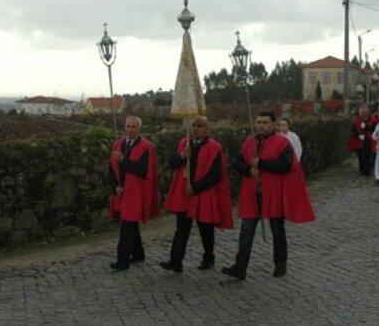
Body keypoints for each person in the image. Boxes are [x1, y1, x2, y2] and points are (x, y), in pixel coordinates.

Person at [222, 112, 315, 280]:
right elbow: (237, 162)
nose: (260, 125)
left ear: (273, 124)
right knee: (246, 230)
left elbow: (286, 164)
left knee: (277, 230)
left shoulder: (282, 143)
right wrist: (249, 170)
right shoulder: (250, 142)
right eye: (258, 122)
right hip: (252, 193)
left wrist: (262, 164)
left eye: (264, 122)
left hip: (273, 193)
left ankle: (280, 263)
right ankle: (240, 267)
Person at [159, 116, 233, 273]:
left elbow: (215, 175)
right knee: (182, 228)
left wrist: (196, 188)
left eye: (200, 126)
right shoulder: (184, 143)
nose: (196, 128)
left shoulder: (215, 148)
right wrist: (182, 156)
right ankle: (176, 261)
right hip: (185, 193)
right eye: (194, 125)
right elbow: (172, 163)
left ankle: (208, 257)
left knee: (205, 228)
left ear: (207, 129)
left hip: (202, 193)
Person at [108, 116, 160, 271]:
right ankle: (138, 254)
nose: (130, 130)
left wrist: (124, 160)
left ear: (139, 129)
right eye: (128, 126)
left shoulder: (146, 147)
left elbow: (143, 170)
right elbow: (112, 168)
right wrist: (115, 187)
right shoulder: (118, 144)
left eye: (134, 127)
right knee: (130, 223)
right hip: (122, 190)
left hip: (136, 192)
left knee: (127, 225)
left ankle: (122, 260)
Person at [349, 106, 377, 176]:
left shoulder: (372, 119)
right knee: (360, 155)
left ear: (368, 112)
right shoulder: (357, 120)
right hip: (359, 140)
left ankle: (367, 170)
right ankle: (362, 169)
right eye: (362, 112)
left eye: (365, 111)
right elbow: (353, 129)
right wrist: (358, 134)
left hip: (369, 140)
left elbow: (375, 129)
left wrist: (368, 130)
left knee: (368, 155)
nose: (364, 113)